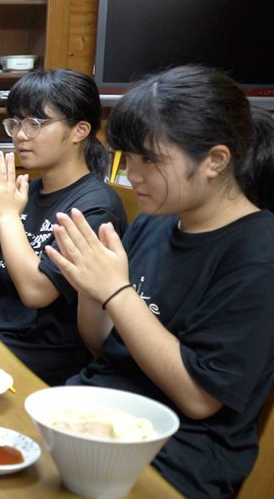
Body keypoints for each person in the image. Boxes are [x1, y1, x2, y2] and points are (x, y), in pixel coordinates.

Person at [46, 65, 274, 497]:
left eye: (149, 159)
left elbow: (199, 399)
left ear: (215, 160)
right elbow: (102, 345)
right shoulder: (158, 220)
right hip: (95, 416)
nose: (132, 173)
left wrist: (116, 291)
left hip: (175, 454)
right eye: (127, 157)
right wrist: (91, 290)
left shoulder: (258, 252)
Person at [0, 69, 128, 386]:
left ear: (79, 131)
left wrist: (7, 215)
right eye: (15, 123)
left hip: (42, 354)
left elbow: (36, 292)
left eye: (35, 123)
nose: (20, 135)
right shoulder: (29, 191)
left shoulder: (94, 206)